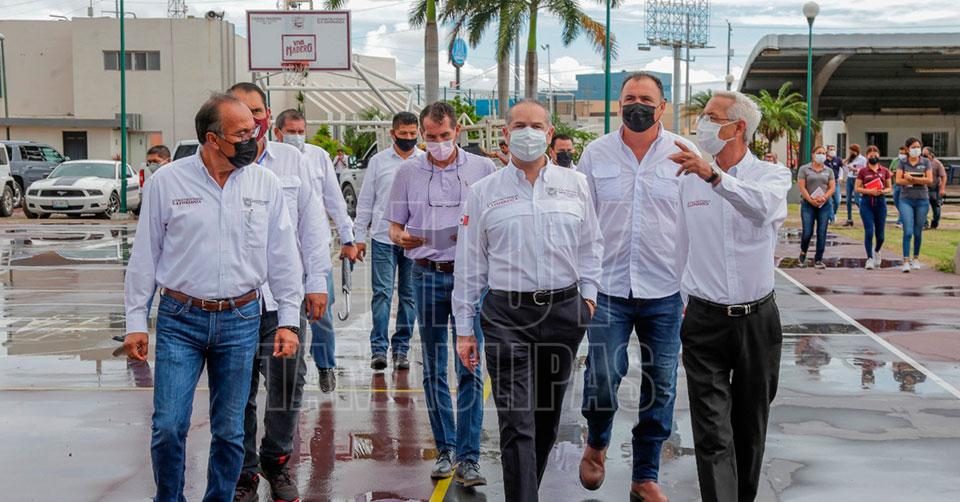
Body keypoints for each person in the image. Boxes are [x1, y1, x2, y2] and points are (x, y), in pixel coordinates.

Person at [123, 93, 304, 502]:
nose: (252, 139)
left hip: (241, 319)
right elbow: (145, 255)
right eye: (241, 134)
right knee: (169, 426)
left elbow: (283, 256)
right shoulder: (168, 182)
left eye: (254, 131)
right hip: (180, 319)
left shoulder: (264, 183)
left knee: (229, 430)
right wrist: (136, 321)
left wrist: (289, 322)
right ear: (212, 139)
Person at [453, 99, 603, 501]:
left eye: (537, 125)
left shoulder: (576, 185)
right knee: (516, 424)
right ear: (505, 134)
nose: (528, 132)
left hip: (563, 313)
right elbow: (469, 264)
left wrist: (588, 301)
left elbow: (591, 246)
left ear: (549, 133)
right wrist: (464, 330)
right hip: (507, 317)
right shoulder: (484, 192)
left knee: (545, 421)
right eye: (519, 125)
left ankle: (525, 492)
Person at [576, 71, 696, 502]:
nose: (637, 105)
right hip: (607, 287)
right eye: (630, 98)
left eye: (646, 99)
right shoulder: (596, 154)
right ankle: (597, 440)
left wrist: (692, 288)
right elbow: (582, 221)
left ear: (663, 106)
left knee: (661, 382)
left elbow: (697, 221)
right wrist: (582, 285)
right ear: (619, 104)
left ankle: (645, 475)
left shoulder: (684, 154)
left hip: (666, 289)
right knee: (603, 374)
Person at [669, 90, 791, 502]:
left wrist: (714, 177)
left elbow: (761, 209)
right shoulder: (689, 180)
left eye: (711, 116)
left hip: (757, 322)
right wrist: (685, 304)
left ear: (738, 127)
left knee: (749, 429)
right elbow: (682, 247)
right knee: (712, 432)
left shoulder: (771, 176)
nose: (702, 124)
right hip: (704, 320)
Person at [228, 83, 332, 502]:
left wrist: (317, 282)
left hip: (283, 300)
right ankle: (245, 472)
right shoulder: (218, 163)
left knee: (288, 382)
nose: (250, 120)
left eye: (256, 111)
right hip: (234, 302)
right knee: (238, 390)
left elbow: (312, 222)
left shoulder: (292, 161)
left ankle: (277, 460)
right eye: (241, 111)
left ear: (268, 116)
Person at [384, 101, 495, 486]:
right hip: (427, 275)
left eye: (444, 136)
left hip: (470, 278)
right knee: (433, 365)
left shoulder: (483, 169)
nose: (438, 143)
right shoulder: (407, 172)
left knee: (470, 364)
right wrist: (402, 237)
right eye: (430, 137)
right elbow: (393, 227)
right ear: (421, 135)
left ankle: (469, 456)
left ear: (457, 132)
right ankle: (445, 449)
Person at [273, 108, 359, 392]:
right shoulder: (269, 160)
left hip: (315, 249)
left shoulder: (318, 157)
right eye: (291, 132)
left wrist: (348, 239)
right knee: (282, 317)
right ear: (278, 132)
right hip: (280, 253)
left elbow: (335, 200)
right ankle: (290, 374)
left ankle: (325, 365)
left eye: (301, 131)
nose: (297, 136)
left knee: (321, 314)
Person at [354, 111, 423, 370]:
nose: (408, 137)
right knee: (382, 294)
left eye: (412, 133)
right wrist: (358, 237)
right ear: (393, 134)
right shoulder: (378, 162)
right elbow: (366, 201)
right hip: (383, 238)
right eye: (403, 133)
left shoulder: (425, 161)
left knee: (409, 296)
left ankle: (401, 349)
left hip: (414, 240)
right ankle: (379, 350)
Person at [896, 138, 933, 273]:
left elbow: (929, 180)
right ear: (907, 149)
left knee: (918, 231)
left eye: (918, 147)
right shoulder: (902, 162)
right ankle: (906, 260)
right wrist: (917, 179)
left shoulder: (925, 162)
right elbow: (898, 180)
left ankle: (915, 258)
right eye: (913, 147)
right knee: (908, 231)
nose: (916, 149)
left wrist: (912, 179)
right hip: (906, 199)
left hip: (922, 200)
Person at [796, 146, 836, 269]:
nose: (821, 155)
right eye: (819, 153)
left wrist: (824, 197)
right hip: (808, 204)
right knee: (807, 231)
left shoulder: (829, 171)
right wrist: (810, 200)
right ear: (813, 154)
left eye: (823, 153)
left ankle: (818, 259)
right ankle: (803, 252)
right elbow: (802, 187)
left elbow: (832, 187)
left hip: (824, 205)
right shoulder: (804, 169)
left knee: (822, 231)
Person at [855, 146, 892, 270]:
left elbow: (889, 187)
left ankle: (877, 250)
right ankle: (869, 258)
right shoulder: (863, 171)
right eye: (870, 155)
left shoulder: (884, 171)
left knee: (880, 235)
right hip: (866, 202)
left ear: (879, 155)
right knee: (869, 231)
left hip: (880, 202)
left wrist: (883, 191)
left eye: (875, 154)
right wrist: (869, 191)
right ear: (867, 156)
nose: (873, 156)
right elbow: (857, 188)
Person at [923, 147, 947, 229]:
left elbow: (943, 176)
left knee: (936, 208)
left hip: (934, 189)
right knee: (923, 207)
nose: (923, 157)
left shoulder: (937, 163)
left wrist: (942, 189)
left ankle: (935, 223)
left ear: (931, 155)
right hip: (923, 188)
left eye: (925, 155)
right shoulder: (920, 163)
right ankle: (924, 223)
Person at [842, 144, 867, 226]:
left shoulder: (862, 159)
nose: (851, 152)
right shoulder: (850, 158)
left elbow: (865, 170)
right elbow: (845, 167)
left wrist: (855, 169)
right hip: (850, 178)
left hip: (857, 179)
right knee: (848, 200)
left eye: (852, 150)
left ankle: (866, 214)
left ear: (856, 151)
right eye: (850, 151)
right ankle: (849, 219)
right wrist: (846, 161)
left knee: (857, 200)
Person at [823, 145, 843, 222]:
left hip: (836, 182)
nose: (832, 151)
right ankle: (831, 218)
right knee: (829, 201)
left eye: (834, 149)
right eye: (831, 149)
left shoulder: (837, 160)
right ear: (827, 151)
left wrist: (841, 178)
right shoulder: (824, 161)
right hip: (826, 183)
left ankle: (833, 214)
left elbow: (842, 168)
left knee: (837, 201)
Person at [890, 146, 907, 227]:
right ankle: (904, 216)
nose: (902, 155)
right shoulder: (895, 161)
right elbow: (890, 171)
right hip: (896, 184)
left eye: (903, 153)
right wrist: (893, 173)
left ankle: (900, 220)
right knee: (896, 200)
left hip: (905, 185)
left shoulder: (908, 162)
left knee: (902, 202)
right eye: (900, 153)